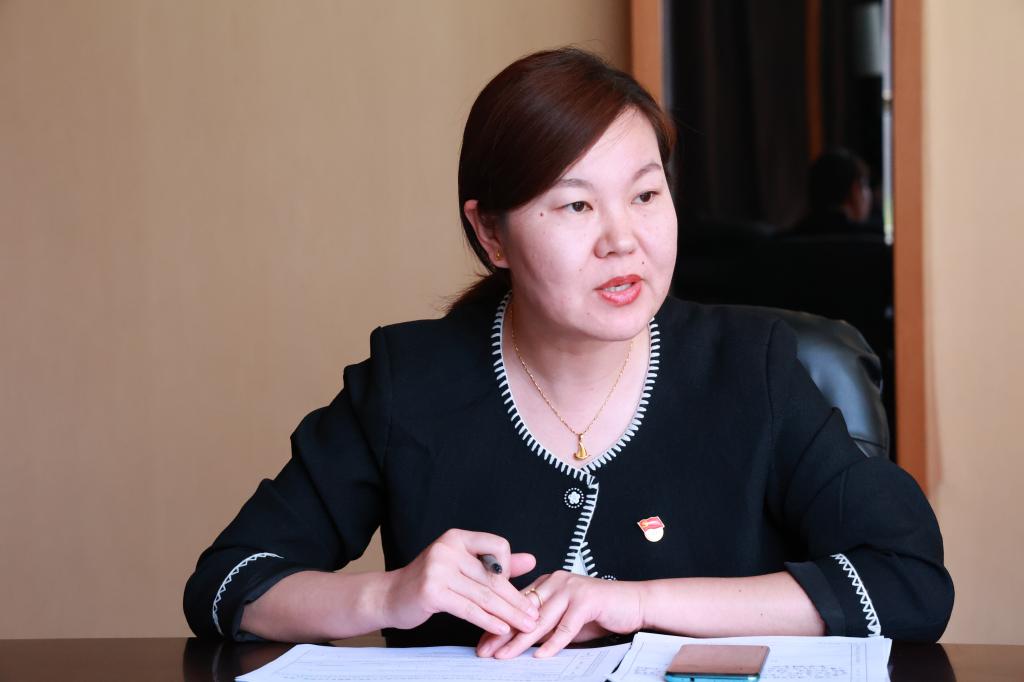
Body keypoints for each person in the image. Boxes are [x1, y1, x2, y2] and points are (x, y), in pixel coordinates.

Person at [183, 48, 953, 657]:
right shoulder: (408, 382)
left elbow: (908, 579)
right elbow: (229, 584)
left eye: (645, 195)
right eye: (577, 204)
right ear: (491, 234)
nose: (623, 240)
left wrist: (637, 605)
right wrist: (387, 596)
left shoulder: (750, 367)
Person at [790, 148, 882, 236]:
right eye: (865, 185)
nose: (870, 195)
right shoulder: (875, 240)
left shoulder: (787, 240)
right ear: (855, 190)